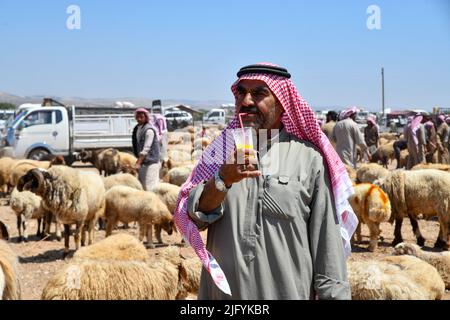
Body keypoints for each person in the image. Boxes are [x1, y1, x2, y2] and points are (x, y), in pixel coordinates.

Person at [174, 63, 357, 300]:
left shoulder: (309, 159)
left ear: (283, 102)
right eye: (241, 92)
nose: (247, 101)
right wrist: (222, 178)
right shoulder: (219, 153)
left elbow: (327, 249)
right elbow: (193, 220)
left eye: (259, 93)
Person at [132, 108, 161, 191]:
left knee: (150, 186)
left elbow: (146, 148)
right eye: (137, 116)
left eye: (142, 116)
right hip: (143, 163)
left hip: (151, 162)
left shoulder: (149, 130)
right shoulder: (137, 129)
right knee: (142, 186)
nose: (139, 118)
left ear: (146, 117)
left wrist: (138, 162)